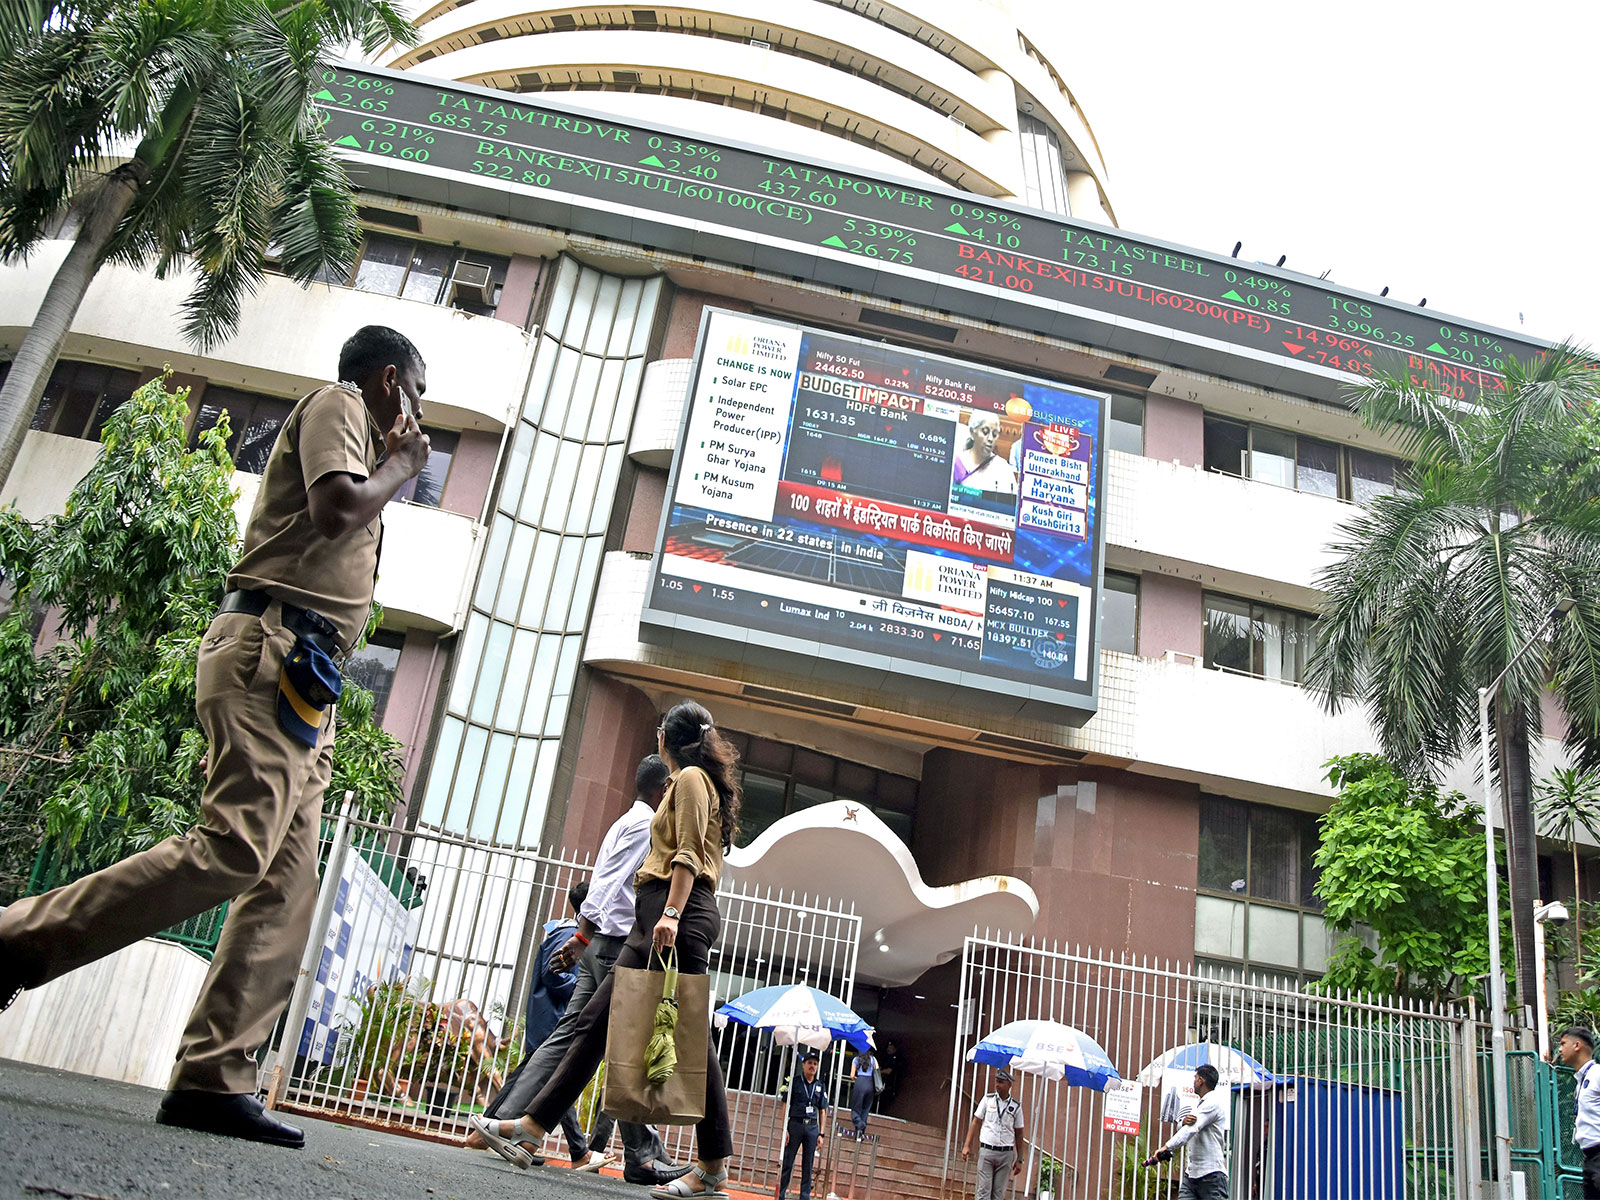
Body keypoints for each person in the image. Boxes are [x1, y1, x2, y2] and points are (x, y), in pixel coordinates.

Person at [0, 326, 431, 1149]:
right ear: (387, 382)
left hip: (308, 682)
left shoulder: (362, 432)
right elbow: (336, 509)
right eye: (416, 395)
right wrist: (402, 470)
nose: (418, 417)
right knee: (236, 847)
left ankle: (215, 1077)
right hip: (269, 652)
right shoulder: (340, 406)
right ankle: (14, 941)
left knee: (288, 880)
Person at [470, 702, 742, 1200]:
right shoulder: (691, 783)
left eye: (659, 730)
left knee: (689, 1037)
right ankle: (533, 1126)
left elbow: (686, 854)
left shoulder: (689, 781)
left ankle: (712, 1167)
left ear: (667, 739)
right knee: (596, 1022)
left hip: (673, 915)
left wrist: (672, 915)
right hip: (654, 917)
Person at [466, 755, 685, 1185]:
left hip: (600, 947)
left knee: (571, 1038)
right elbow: (607, 883)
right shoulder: (645, 827)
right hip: (612, 947)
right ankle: (642, 1157)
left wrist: (587, 937)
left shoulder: (624, 823)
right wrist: (582, 935)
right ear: (662, 790)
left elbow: (604, 878)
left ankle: (507, 1124)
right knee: (630, 1046)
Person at [477, 881, 610, 1171]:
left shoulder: (571, 933)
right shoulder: (567, 934)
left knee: (542, 1080)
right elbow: (553, 975)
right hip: (553, 1019)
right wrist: (588, 986)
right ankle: (491, 1134)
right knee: (550, 1079)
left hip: (554, 1018)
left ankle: (496, 1133)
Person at [1143, 1063, 1229, 1200]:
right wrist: (1183, 1122)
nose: (1193, 1081)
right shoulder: (1200, 1105)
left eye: (1195, 1078)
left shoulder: (1213, 1103)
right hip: (1192, 1175)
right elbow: (1184, 1127)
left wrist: (1166, 1147)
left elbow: (1191, 1129)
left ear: (1201, 1080)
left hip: (1212, 1175)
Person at [961, 1069, 1025, 1200]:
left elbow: (1019, 1134)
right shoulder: (987, 1100)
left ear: (1009, 1085)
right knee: (983, 1192)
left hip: (1006, 1154)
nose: (997, 1085)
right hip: (987, 1151)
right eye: (997, 1081)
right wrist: (966, 1145)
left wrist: (1020, 1159)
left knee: (998, 1194)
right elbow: (975, 1122)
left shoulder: (1016, 1107)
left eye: (1001, 1082)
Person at [777, 1050, 831, 1200]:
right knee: (788, 1161)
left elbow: (822, 1111)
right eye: (810, 1063)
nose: (812, 1066)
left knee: (808, 1165)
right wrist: (784, 1130)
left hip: (812, 1128)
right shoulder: (795, 1082)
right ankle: (781, 1194)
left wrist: (821, 1134)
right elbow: (784, 1105)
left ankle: (805, 1196)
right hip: (795, 1125)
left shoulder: (820, 1086)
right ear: (803, 1065)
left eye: (815, 1064)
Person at [1558, 1026, 1600, 1199]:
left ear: (1577, 1046)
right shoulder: (1581, 1081)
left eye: (1563, 1043)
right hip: (1590, 1157)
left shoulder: (1597, 1074)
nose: (1559, 1049)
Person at [952, 412, 1017, 495]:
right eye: (985, 432)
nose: (990, 439)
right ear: (972, 432)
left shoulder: (1003, 468)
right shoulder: (956, 462)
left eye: (994, 434)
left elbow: (1009, 502)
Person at [847, 1048, 878, 1137]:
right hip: (870, 1084)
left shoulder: (856, 1059)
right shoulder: (873, 1059)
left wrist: (857, 1079)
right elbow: (877, 1071)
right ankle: (860, 1133)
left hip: (860, 1082)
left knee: (856, 1107)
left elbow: (852, 1075)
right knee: (866, 1109)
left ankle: (859, 1123)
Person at [878, 1039, 905, 1110]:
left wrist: (879, 1072)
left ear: (894, 1048)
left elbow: (889, 1071)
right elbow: (880, 1066)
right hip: (883, 1085)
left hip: (891, 1086)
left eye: (890, 1047)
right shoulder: (886, 1057)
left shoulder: (896, 1058)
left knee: (887, 1104)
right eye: (888, 1047)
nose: (888, 1049)